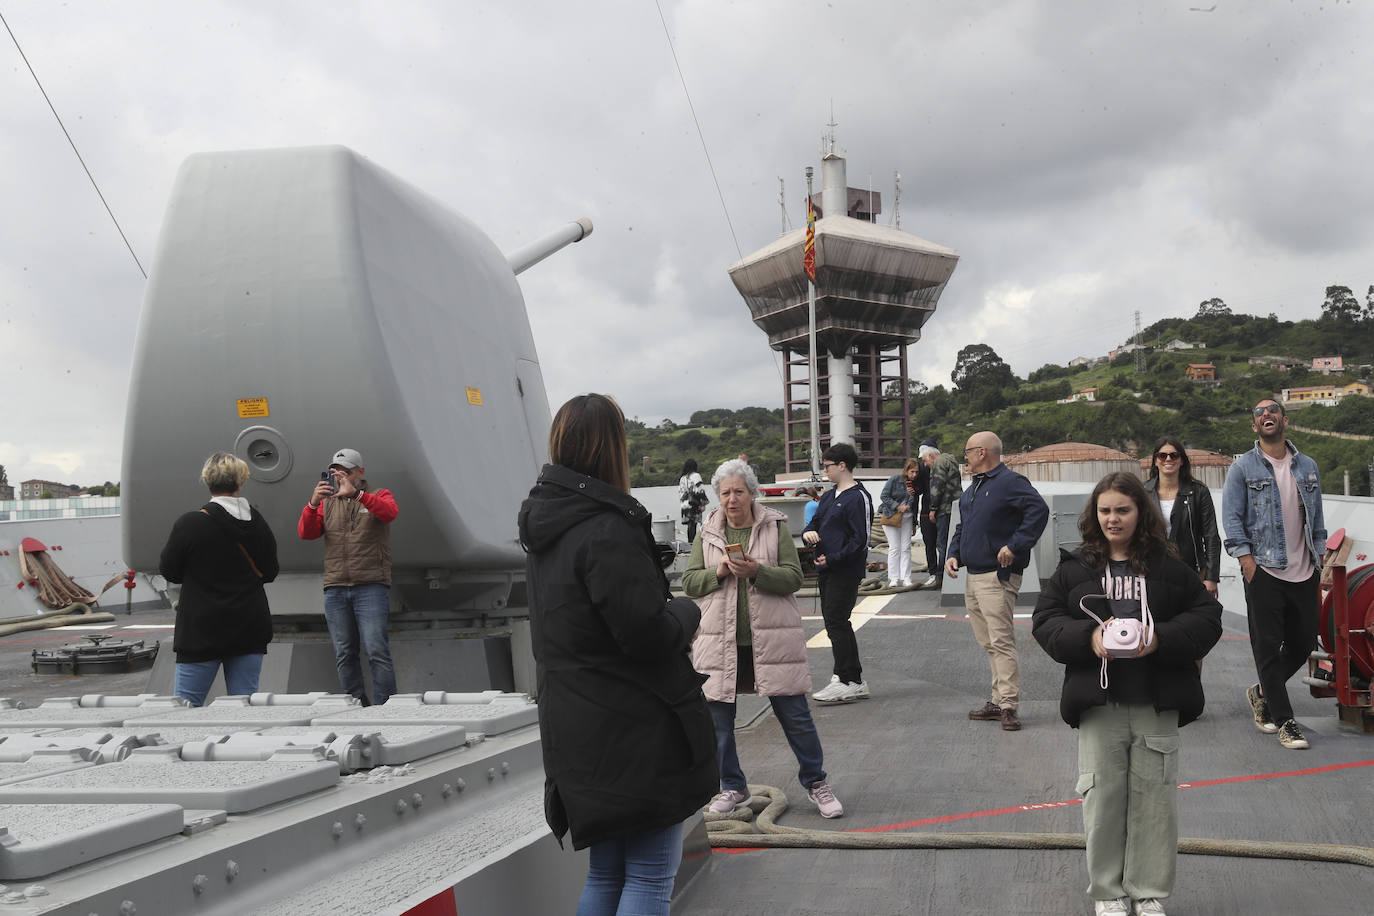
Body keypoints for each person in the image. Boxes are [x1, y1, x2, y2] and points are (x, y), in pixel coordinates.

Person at [518, 393, 716, 916]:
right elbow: (646, 635)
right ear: (613, 450)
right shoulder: (608, 528)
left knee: (606, 874)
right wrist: (686, 611)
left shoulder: (546, 527)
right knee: (650, 877)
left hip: (578, 730)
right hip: (634, 728)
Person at [1033, 472, 1222, 916]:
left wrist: (1161, 639)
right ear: (1093, 514)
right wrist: (1089, 638)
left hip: (1156, 700)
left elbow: (1207, 618)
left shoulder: (1170, 568)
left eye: (1123, 510)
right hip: (1101, 704)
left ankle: (1148, 889)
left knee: (1156, 801)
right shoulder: (1074, 569)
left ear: (1141, 513)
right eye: (1105, 511)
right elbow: (1044, 621)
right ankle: (1108, 891)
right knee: (1102, 799)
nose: (1113, 519)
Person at [685, 458, 844, 819]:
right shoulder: (706, 532)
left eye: (739, 491)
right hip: (718, 642)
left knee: (796, 717)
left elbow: (792, 577)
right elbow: (691, 582)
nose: (732, 499)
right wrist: (720, 572)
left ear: (752, 493)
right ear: (717, 496)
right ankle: (732, 786)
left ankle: (816, 782)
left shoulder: (774, 525)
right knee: (718, 722)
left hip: (772, 642)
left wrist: (757, 571)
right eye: (725, 492)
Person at [1222, 398, 1326, 750]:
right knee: (1267, 648)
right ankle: (1286, 721)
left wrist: (1320, 558)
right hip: (1265, 569)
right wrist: (1247, 562)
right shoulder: (1242, 469)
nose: (1265, 414)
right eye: (1258, 412)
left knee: (1303, 642)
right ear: (1255, 426)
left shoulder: (1307, 466)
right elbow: (1232, 518)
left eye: (1272, 410)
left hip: (1305, 569)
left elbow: (1318, 520)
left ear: (1284, 420)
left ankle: (1262, 691)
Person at [944, 431, 1049, 731]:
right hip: (973, 576)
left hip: (996, 576)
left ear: (981, 452)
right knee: (989, 642)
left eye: (967, 452)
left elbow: (1038, 511)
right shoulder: (973, 489)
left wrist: (1015, 545)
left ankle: (1008, 706)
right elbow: (964, 526)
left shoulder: (1011, 483)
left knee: (1001, 641)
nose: (964, 457)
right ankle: (997, 699)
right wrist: (954, 554)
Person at [160, 452, 279, 706]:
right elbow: (270, 572)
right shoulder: (258, 523)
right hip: (248, 627)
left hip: (201, 630)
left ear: (207, 481)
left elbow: (170, 571)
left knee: (186, 707)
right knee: (243, 705)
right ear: (241, 482)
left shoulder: (190, 524)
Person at [298, 447, 400, 706]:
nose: (340, 477)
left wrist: (358, 495)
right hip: (336, 586)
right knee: (344, 653)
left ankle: (385, 706)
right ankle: (356, 704)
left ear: (360, 472)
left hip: (371, 585)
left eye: (346, 472)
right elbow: (306, 534)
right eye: (336, 472)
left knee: (376, 649)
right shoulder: (327, 502)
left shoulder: (378, 495)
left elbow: (390, 513)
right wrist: (312, 504)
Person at [803, 442, 873, 703]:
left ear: (842, 465)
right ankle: (848, 676)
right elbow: (815, 522)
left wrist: (832, 558)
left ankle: (848, 679)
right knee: (835, 623)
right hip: (827, 567)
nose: (825, 470)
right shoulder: (830, 496)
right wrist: (809, 533)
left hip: (845, 569)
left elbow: (860, 540)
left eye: (827, 466)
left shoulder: (858, 497)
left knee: (836, 622)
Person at [1143, 437, 1222, 598]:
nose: (1168, 459)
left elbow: (1211, 536)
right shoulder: (1143, 493)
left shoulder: (1199, 491)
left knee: (1194, 618)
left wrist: (1211, 577)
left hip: (1193, 571)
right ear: (1155, 461)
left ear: (1182, 461)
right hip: (1154, 571)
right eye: (1162, 456)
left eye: (1174, 455)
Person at [878, 458, 920, 588]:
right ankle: (894, 578)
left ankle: (906, 577)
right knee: (895, 548)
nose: (914, 475)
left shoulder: (915, 484)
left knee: (906, 548)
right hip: (892, 516)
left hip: (907, 518)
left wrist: (914, 524)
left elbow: (914, 505)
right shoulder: (895, 479)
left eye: (916, 472)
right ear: (906, 470)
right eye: (912, 471)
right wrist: (897, 506)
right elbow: (884, 496)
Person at [924, 440, 962, 583]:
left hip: (944, 509)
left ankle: (941, 576)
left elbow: (937, 487)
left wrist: (933, 508)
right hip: (955, 507)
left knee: (942, 543)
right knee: (952, 540)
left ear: (931, 456)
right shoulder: (951, 461)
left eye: (925, 460)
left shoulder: (938, 463)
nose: (925, 464)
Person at [914, 441, 940, 588]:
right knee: (929, 544)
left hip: (941, 510)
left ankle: (943, 572)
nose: (924, 462)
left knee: (943, 544)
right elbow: (919, 490)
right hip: (926, 511)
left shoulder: (942, 466)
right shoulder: (922, 468)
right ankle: (933, 573)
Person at [678, 458, 709, 544]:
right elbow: (700, 490)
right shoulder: (696, 476)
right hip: (694, 503)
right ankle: (693, 543)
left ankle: (690, 543)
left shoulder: (683, 478)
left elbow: (681, 491)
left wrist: (683, 503)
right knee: (694, 524)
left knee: (689, 525)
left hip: (685, 504)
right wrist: (703, 503)